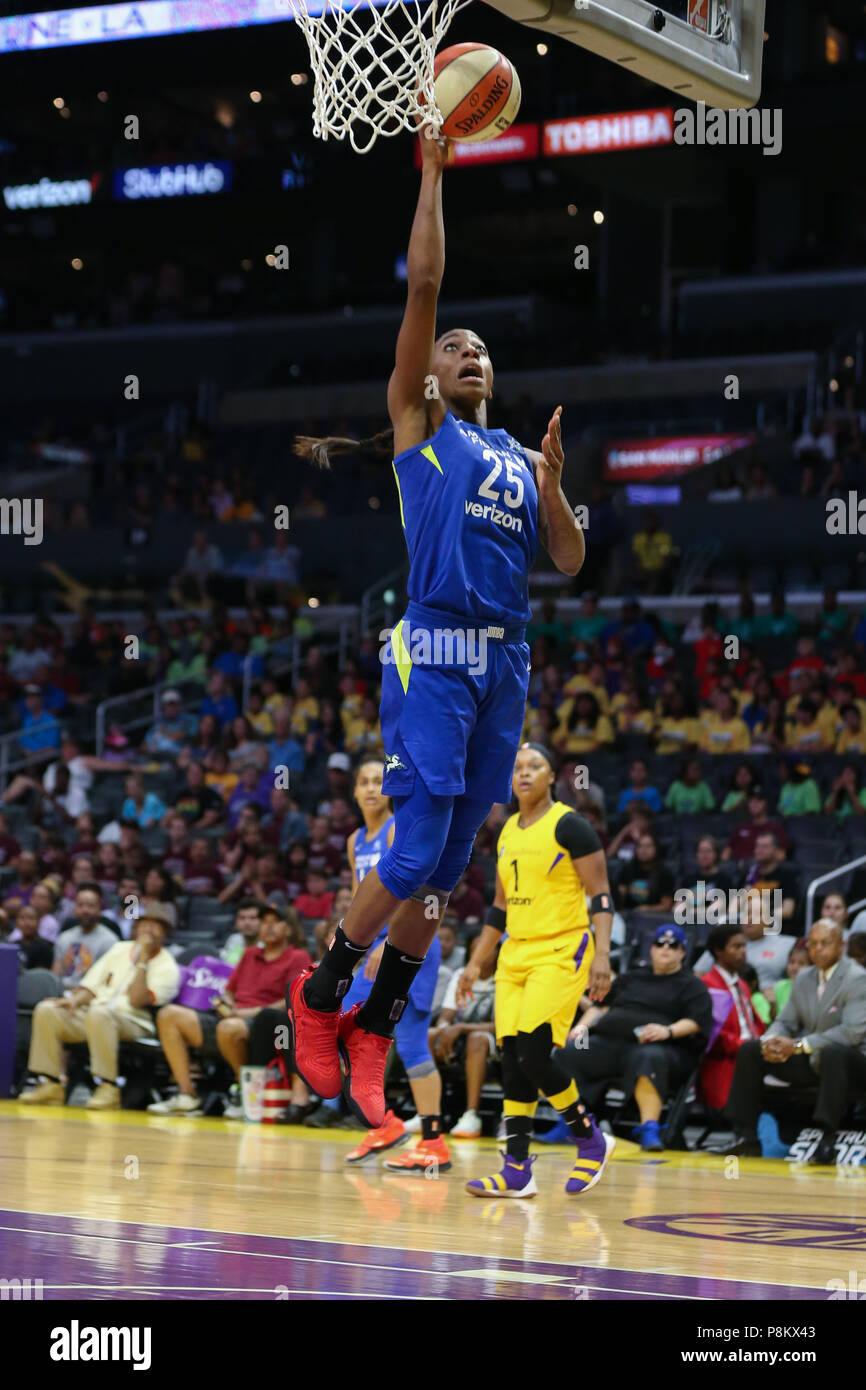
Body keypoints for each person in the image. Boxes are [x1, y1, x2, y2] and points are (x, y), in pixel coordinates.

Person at [287, 126, 586, 1133]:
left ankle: (376, 1020)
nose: (468, 351)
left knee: (451, 865)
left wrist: (554, 489)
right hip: (436, 646)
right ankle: (320, 994)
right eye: (455, 346)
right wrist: (433, 169)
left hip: (506, 657)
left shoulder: (513, 454)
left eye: (480, 347)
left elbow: (571, 559)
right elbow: (423, 286)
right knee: (412, 859)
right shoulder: (424, 432)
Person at [455, 743, 615, 1198]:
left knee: (533, 1052)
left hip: (562, 948)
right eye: (518, 767)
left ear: (551, 777)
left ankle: (588, 1138)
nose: (524, 774)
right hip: (514, 953)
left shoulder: (571, 825)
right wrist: (475, 961)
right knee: (511, 1057)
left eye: (535, 767)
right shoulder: (505, 831)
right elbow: (499, 907)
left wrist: (601, 957)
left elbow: (601, 896)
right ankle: (517, 1169)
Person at [328, 758, 448, 1171]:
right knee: (344, 1028)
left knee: (412, 1041)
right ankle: (386, 1123)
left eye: (378, 780)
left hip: (408, 941)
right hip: (374, 945)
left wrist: (383, 942)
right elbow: (362, 895)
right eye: (362, 781)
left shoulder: (399, 826)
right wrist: (345, 934)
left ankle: (432, 1141)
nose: (370, 788)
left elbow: (412, 889)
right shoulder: (355, 839)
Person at [724, 919, 866, 1165]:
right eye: (813, 944)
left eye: (825, 943)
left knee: (835, 1053)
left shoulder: (857, 978)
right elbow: (785, 1021)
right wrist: (772, 1041)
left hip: (853, 1065)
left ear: (841, 945)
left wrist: (798, 1046)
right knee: (751, 1050)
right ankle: (746, 1136)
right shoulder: (803, 979)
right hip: (813, 1059)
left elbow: (851, 1034)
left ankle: (827, 1139)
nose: (818, 949)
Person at [148, 902, 310, 1116]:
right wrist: (225, 1003)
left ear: (288, 929)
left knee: (229, 1027)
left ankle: (245, 1092)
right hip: (230, 1019)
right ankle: (187, 1094)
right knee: (168, 1015)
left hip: (264, 1025)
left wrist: (247, 1013)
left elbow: (291, 999)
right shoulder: (250, 953)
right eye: (264, 922)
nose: (268, 927)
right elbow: (229, 991)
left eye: (276, 922)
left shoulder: (298, 957)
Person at [560, 924, 712, 1151]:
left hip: (660, 1047)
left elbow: (697, 1021)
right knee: (570, 1052)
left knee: (648, 1058)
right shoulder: (631, 977)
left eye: (673, 945)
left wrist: (667, 1030)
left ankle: (649, 1129)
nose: (665, 949)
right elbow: (600, 1008)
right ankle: (572, 1125)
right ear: (651, 949)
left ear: (683, 952)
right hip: (611, 1042)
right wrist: (580, 1029)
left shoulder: (692, 985)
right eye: (660, 943)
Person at [20, 908, 180, 1110]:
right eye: (143, 924)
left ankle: (108, 1087)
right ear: (135, 928)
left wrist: (142, 962)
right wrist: (75, 1001)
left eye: (155, 926)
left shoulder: (168, 966)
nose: (148, 930)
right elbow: (92, 987)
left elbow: (137, 1000)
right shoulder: (119, 949)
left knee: (99, 1014)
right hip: (96, 1016)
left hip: (134, 1022)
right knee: (47, 1010)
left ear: (165, 933)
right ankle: (51, 1083)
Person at [430, 951, 497, 1138]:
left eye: (487, 950)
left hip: (494, 1040)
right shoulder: (461, 974)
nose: (483, 956)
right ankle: (429, 1112)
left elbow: (501, 1024)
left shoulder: (503, 977)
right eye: (476, 950)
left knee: (477, 1038)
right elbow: (445, 1016)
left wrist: (460, 1027)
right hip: (459, 1038)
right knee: (430, 1034)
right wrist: (443, 1029)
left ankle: (471, 1115)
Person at [699, 924, 766, 1110]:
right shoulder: (707, 984)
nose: (743, 952)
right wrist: (746, 1047)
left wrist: (766, 1042)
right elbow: (713, 1035)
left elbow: (755, 1023)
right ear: (718, 951)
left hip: (752, 1053)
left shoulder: (742, 984)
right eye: (736, 947)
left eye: (744, 946)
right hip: (727, 1061)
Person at [52, 884, 118, 988]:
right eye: (80, 905)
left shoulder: (110, 941)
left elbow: (108, 981)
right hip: (62, 994)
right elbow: (56, 975)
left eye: (90, 905)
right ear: (74, 908)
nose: (85, 910)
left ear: (99, 909)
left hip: (91, 997)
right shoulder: (64, 937)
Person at [617, 833, 674, 913]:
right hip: (629, 916)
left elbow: (666, 906)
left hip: (653, 918)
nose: (643, 850)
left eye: (648, 846)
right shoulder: (627, 870)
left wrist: (648, 909)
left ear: (656, 849)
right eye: (639, 846)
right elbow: (619, 898)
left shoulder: (664, 874)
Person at [220, 898, 263, 965]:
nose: (247, 922)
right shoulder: (234, 940)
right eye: (242, 918)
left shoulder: (269, 945)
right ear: (236, 922)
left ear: (262, 921)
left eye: (253, 918)